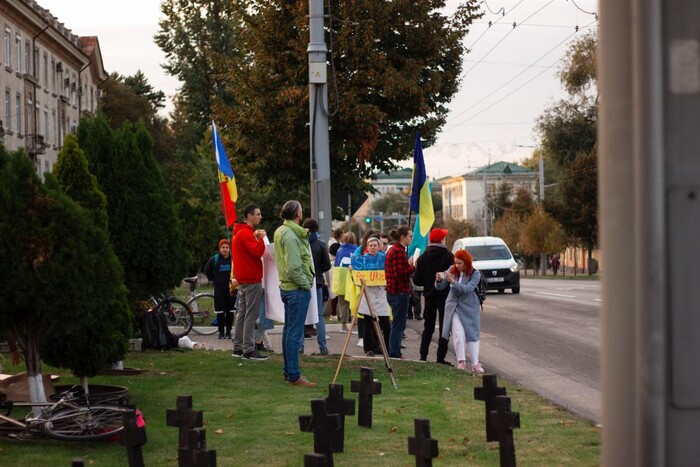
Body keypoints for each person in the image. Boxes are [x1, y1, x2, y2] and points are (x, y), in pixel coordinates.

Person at [273, 200, 316, 386]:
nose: (302, 212)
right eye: (301, 209)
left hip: (289, 287)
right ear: (297, 214)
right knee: (294, 334)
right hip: (296, 288)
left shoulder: (282, 231)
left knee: (288, 331)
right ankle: (294, 375)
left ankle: (289, 372)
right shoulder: (290, 235)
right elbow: (293, 267)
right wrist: (306, 284)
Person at [435, 249, 484, 373]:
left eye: (460, 263)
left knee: (472, 334)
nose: (457, 266)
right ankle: (461, 361)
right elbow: (440, 287)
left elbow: (467, 289)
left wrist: (453, 282)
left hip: (469, 308)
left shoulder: (475, 274)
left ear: (466, 262)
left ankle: (475, 363)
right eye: (456, 263)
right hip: (453, 307)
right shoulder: (452, 269)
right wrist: (439, 280)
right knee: (458, 334)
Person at [231, 204, 268, 360]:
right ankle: (248, 350)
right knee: (250, 315)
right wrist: (259, 239)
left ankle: (238, 348)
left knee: (242, 314)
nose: (260, 217)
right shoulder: (246, 233)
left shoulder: (237, 233)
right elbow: (257, 252)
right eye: (258, 214)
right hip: (251, 278)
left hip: (242, 279)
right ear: (249, 216)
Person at [413, 228, 454, 365]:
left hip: (429, 296)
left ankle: (423, 356)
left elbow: (417, 281)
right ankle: (440, 358)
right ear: (442, 240)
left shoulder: (423, 257)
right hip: (445, 297)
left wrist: (427, 281)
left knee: (428, 327)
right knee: (445, 327)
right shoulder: (449, 256)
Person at [356, 237, 390, 356]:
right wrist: (353, 270)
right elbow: (356, 277)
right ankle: (368, 348)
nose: (373, 247)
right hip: (368, 294)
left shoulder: (384, 259)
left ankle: (386, 347)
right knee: (368, 324)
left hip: (381, 294)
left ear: (379, 247)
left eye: (375, 245)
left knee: (385, 323)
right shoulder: (362, 260)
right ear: (367, 247)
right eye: (370, 245)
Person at [385, 226, 415, 359]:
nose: (411, 238)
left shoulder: (396, 250)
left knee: (397, 324)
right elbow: (399, 274)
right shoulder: (398, 251)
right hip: (399, 292)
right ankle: (394, 353)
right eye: (409, 236)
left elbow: (399, 269)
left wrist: (407, 264)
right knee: (398, 325)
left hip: (394, 291)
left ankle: (394, 351)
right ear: (402, 237)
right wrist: (413, 267)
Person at [303, 218, 332, 355]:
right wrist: (318, 270)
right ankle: (323, 347)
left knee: (301, 315)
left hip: (302, 282)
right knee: (319, 316)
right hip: (318, 282)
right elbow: (327, 265)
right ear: (316, 229)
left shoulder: (301, 244)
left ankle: (300, 346)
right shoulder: (320, 245)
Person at [204, 239, 236, 339]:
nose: (225, 249)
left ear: (229, 248)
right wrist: (214, 279)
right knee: (220, 312)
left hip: (231, 290)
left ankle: (229, 332)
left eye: (227, 247)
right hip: (219, 289)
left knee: (230, 312)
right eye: (223, 247)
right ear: (220, 248)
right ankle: (221, 332)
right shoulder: (215, 259)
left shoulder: (233, 259)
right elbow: (207, 270)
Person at [333, 232, 357, 333]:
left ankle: (343, 325)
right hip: (352, 279)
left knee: (342, 303)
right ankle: (354, 325)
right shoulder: (357, 250)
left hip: (341, 280)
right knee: (354, 302)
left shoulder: (340, 250)